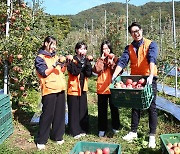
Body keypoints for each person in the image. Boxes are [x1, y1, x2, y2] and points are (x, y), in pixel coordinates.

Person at [112, 22, 158, 148]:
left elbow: (152, 58)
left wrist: (150, 76)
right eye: (133, 32)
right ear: (131, 34)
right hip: (135, 80)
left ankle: (152, 136)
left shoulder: (151, 44)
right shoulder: (129, 48)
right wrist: (114, 75)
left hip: (149, 79)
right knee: (135, 105)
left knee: (151, 107)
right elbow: (122, 62)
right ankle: (133, 132)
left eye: (137, 30)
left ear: (141, 30)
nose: (136, 33)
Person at [35, 36, 66, 150]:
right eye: (52, 44)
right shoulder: (40, 58)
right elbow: (43, 73)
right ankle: (42, 139)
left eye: (55, 45)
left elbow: (61, 71)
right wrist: (55, 65)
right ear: (46, 44)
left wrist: (64, 65)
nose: (54, 47)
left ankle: (57, 136)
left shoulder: (56, 56)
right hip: (49, 89)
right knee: (48, 115)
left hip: (60, 88)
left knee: (59, 114)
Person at [93, 40, 120, 137]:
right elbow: (95, 71)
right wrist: (101, 60)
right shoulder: (99, 59)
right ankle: (102, 128)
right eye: (104, 48)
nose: (106, 50)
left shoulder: (115, 58)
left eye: (107, 48)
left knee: (114, 108)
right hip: (102, 88)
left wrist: (112, 61)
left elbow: (119, 71)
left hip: (113, 87)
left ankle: (115, 126)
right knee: (102, 110)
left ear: (110, 49)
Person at [66, 41, 92, 139]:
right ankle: (74, 131)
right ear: (76, 50)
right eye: (81, 48)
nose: (83, 51)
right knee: (74, 110)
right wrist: (81, 64)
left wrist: (87, 63)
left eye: (84, 49)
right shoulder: (71, 60)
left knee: (82, 109)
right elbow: (75, 72)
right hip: (73, 88)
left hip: (83, 88)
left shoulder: (86, 60)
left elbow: (89, 73)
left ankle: (83, 129)